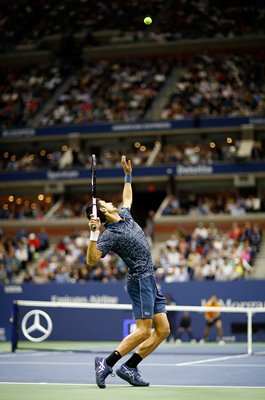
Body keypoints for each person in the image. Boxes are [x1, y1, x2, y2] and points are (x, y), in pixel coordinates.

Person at [86, 155, 170, 389]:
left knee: (163, 329)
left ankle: (130, 367)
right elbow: (91, 261)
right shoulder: (109, 235)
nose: (109, 201)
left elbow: (127, 197)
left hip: (150, 280)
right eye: (104, 202)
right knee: (144, 331)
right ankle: (105, 363)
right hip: (139, 281)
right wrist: (93, 234)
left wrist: (128, 175)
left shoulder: (124, 215)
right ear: (102, 210)